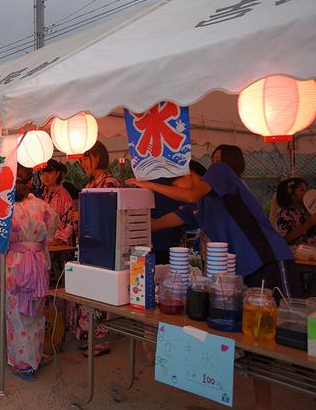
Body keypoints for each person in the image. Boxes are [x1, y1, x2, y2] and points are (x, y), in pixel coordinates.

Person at [128, 145, 302, 410]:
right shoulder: (194, 208)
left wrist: (149, 185)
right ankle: (262, 405)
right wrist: (123, 215)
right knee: (257, 338)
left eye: (177, 180)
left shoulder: (221, 173)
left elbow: (192, 192)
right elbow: (159, 222)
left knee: (296, 330)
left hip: (270, 261)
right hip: (243, 272)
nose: (176, 187)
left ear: (195, 173)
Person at [6, 165, 59, 381]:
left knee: (16, 316)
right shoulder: (41, 206)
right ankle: (34, 356)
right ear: (31, 181)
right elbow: (53, 230)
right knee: (36, 312)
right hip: (37, 262)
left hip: (14, 264)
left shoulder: (5, 208)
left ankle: (23, 362)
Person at [70, 141, 118, 356]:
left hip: (103, 247)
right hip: (89, 245)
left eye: (85, 159)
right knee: (88, 292)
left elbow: (107, 217)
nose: (82, 164)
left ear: (97, 157)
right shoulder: (93, 183)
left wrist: (82, 216)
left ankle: (101, 340)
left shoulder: (110, 183)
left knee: (99, 293)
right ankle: (89, 335)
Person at [151, 160, 208, 264]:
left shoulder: (219, 176)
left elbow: (192, 196)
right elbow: (156, 224)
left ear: (190, 173)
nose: (175, 190)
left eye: (176, 184)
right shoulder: (192, 206)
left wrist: (147, 185)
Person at [40, 159, 75, 246]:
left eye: (49, 173)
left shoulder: (64, 195)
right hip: (43, 243)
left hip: (59, 245)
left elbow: (70, 221)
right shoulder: (42, 195)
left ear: (57, 173)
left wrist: (59, 239)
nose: (45, 177)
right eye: (42, 174)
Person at [276, 177, 316, 246]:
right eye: (302, 190)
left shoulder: (306, 209)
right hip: (297, 252)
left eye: (307, 189)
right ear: (292, 195)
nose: (307, 192)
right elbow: (285, 238)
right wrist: (308, 223)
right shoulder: (285, 213)